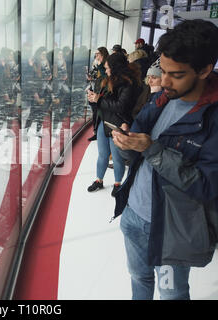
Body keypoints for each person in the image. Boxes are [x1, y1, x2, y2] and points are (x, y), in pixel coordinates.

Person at [112, 19, 218, 300]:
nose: (164, 81)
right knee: (138, 278)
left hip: (173, 227)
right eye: (163, 70)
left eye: (177, 74)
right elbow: (136, 149)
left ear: (205, 70)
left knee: (172, 294)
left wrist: (152, 149)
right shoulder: (162, 99)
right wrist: (125, 144)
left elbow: (207, 185)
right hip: (134, 214)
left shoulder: (213, 119)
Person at [87, 52, 142, 197]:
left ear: (115, 67)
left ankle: (118, 184)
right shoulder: (107, 81)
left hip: (117, 125)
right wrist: (93, 99)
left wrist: (98, 99)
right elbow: (101, 104)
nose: (105, 71)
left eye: (107, 68)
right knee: (102, 155)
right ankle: (99, 180)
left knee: (117, 158)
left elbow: (120, 107)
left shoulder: (129, 84)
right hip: (103, 122)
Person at [86, 47, 109, 142]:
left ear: (103, 54)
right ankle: (96, 132)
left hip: (102, 91)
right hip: (96, 88)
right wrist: (91, 77)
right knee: (95, 112)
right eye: (95, 54)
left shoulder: (105, 64)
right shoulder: (97, 63)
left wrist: (99, 66)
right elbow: (97, 75)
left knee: (98, 113)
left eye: (98, 54)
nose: (96, 56)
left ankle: (99, 133)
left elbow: (105, 76)